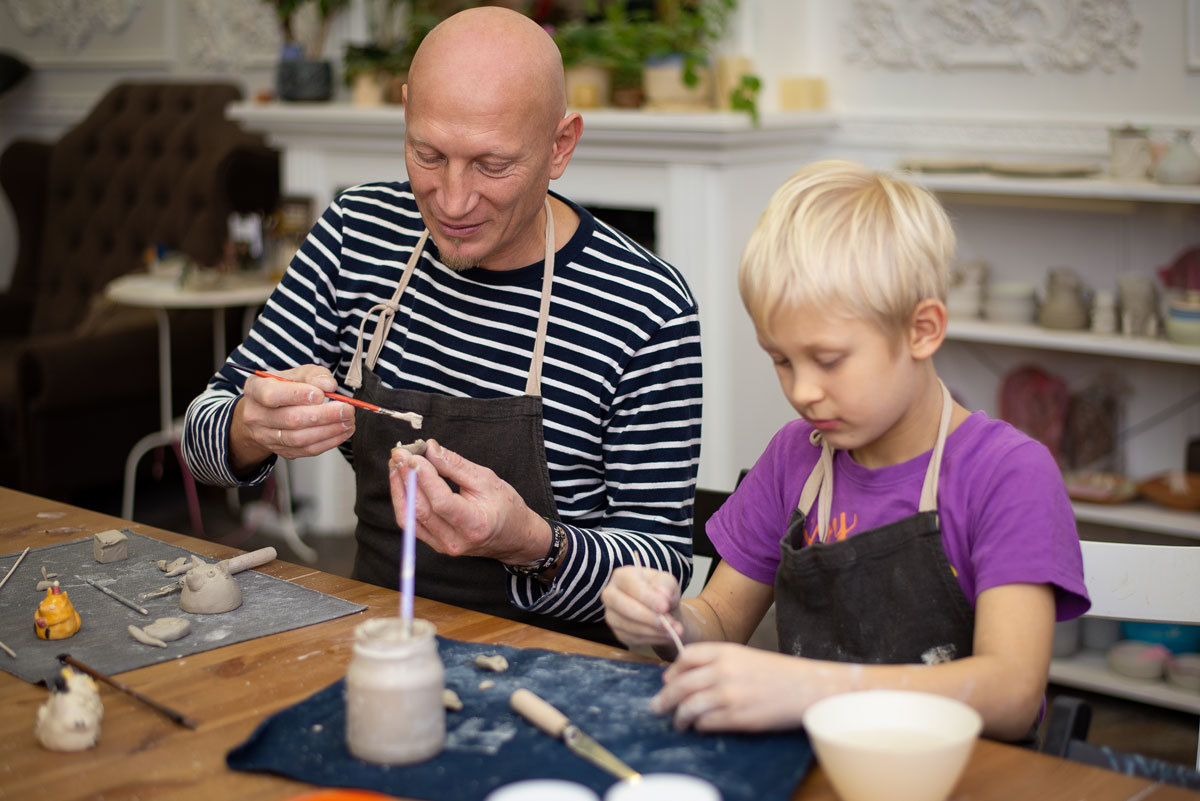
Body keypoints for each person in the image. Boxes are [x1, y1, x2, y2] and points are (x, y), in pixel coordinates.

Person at [183, 7, 702, 644]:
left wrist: (533, 545)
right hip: (376, 638)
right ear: (404, 114)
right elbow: (199, 440)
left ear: (560, 145)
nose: (453, 203)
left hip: (561, 666)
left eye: (492, 165)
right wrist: (248, 428)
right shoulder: (358, 233)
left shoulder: (646, 303)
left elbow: (665, 570)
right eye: (428, 155)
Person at [602, 159, 1089, 739]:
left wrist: (808, 690)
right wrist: (665, 619)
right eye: (781, 360)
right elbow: (720, 620)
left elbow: (1011, 693)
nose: (802, 391)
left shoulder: (1007, 473)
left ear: (922, 330)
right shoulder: (794, 457)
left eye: (828, 360)